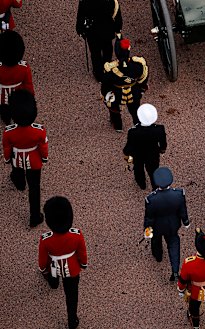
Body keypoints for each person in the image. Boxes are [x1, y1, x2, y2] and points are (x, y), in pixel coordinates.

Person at [38, 196, 88, 329]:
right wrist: (83, 264)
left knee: (53, 277)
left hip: (54, 265)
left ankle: (53, 283)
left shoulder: (45, 239)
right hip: (72, 269)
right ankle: (72, 320)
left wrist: (44, 269)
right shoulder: (76, 235)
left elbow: (42, 259)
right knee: (72, 296)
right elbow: (82, 252)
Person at [2, 90, 47, 227]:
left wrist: (7, 159)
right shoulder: (39, 130)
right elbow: (43, 146)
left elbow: (7, 148)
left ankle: (20, 183)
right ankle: (35, 215)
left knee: (17, 172)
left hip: (17, 157)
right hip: (33, 159)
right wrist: (44, 158)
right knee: (34, 188)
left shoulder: (9, 131)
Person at [144, 167, 190, 280]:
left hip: (157, 226)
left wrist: (147, 229)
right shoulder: (179, 194)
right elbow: (182, 211)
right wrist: (185, 222)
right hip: (173, 225)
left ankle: (158, 256)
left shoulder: (151, 199)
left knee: (156, 241)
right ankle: (175, 271)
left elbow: (149, 218)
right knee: (174, 246)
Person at [101, 36, 148, 132]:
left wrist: (105, 94)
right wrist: (141, 89)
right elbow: (143, 78)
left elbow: (106, 85)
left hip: (117, 93)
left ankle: (118, 126)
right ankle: (138, 127)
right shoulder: (138, 64)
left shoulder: (110, 68)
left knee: (114, 110)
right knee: (135, 111)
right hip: (134, 92)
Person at [76, 0, 123, 82]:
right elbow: (116, 14)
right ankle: (107, 69)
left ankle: (98, 74)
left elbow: (81, 15)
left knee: (95, 53)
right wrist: (118, 28)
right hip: (107, 30)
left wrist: (80, 30)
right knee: (107, 50)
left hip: (92, 32)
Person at [123, 103, 166, 190]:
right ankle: (155, 187)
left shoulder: (132, 131)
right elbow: (163, 143)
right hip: (153, 154)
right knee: (153, 171)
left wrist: (126, 152)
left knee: (138, 170)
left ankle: (142, 184)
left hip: (138, 155)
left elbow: (129, 145)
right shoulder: (159, 129)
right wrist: (162, 149)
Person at [0, 30, 34, 125]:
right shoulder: (24, 68)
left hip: (1, 95)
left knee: (3, 109)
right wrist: (30, 99)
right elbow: (28, 85)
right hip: (16, 97)